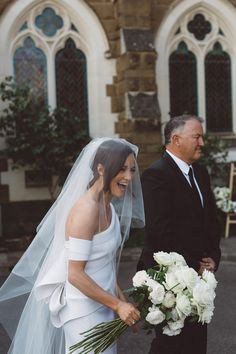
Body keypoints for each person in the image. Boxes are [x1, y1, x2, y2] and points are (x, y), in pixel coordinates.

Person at [0, 137, 145, 354]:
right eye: (122, 169)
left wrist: (123, 303)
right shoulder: (86, 210)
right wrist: (118, 306)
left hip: (103, 305)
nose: (128, 177)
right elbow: (75, 274)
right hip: (83, 312)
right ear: (101, 168)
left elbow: (104, 264)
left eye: (132, 170)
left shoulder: (109, 209)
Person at [137, 114, 221, 354]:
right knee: (170, 345)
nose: (202, 143)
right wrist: (194, 264)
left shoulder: (201, 172)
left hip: (200, 279)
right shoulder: (157, 174)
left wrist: (213, 257)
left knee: (196, 344)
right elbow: (160, 231)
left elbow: (211, 221)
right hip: (169, 281)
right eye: (197, 137)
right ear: (176, 139)